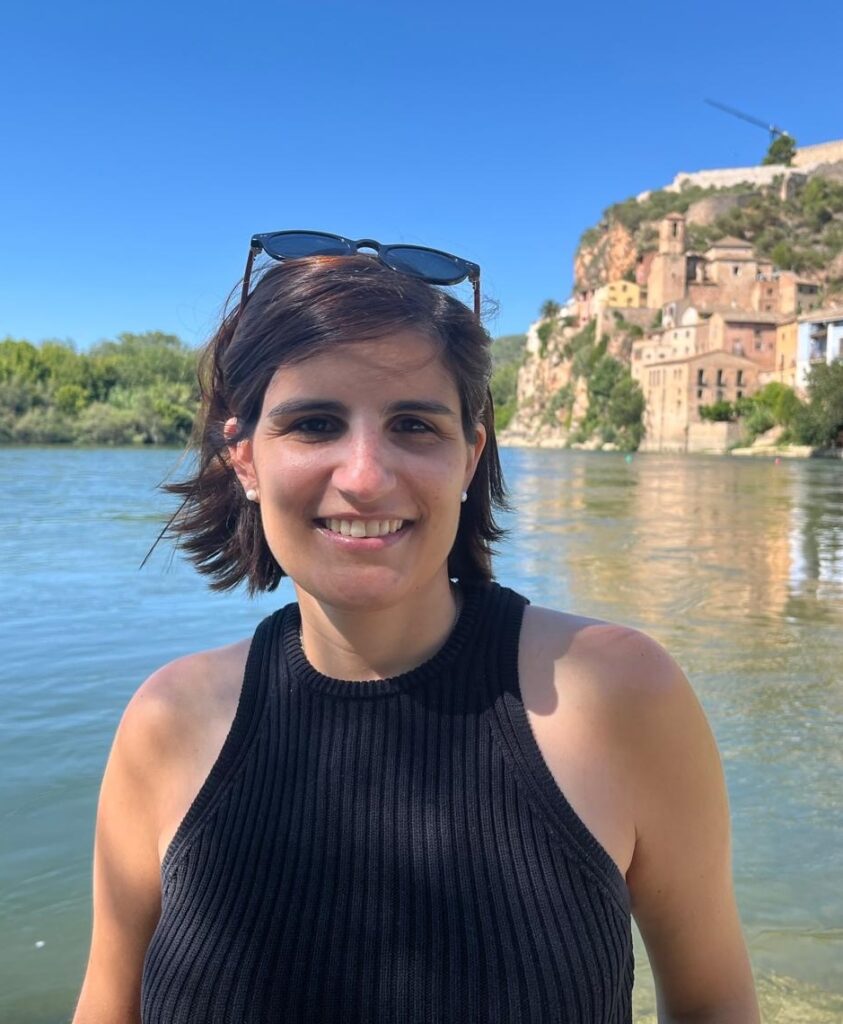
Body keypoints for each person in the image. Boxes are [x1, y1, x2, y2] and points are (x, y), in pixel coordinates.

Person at [73, 233, 760, 1023]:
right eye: (314, 424)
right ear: (245, 459)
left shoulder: (620, 694)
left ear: (468, 457)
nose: (365, 477)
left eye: (412, 425)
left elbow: (713, 1005)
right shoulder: (166, 723)